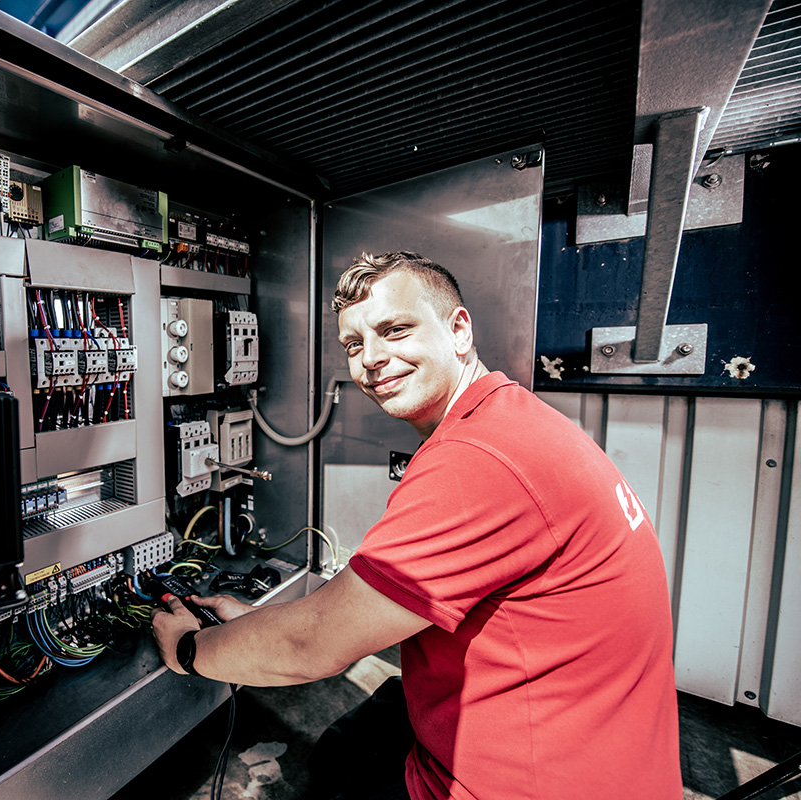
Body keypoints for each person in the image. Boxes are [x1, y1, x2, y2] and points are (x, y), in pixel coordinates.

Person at [151, 251, 682, 799]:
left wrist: (194, 648)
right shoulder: (514, 419)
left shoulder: (478, 462)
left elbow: (313, 646)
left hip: (527, 784)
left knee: (336, 769)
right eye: (355, 345)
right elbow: (359, 602)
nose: (371, 360)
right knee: (351, 740)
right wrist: (253, 626)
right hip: (606, 755)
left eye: (395, 329)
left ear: (458, 330)